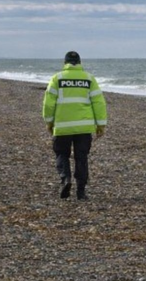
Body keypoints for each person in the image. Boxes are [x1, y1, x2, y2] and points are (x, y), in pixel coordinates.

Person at [43, 51, 107, 200]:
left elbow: (48, 103)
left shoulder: (57, 78)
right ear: (79, 62)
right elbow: (99, 103)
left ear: (64, 63)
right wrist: (101, 125)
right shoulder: (89, 79)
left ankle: (65, 178)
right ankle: (81, 191)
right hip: (84, 127)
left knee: (61, 154)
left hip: (62, 126)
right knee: (81, 157)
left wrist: (49, 122)